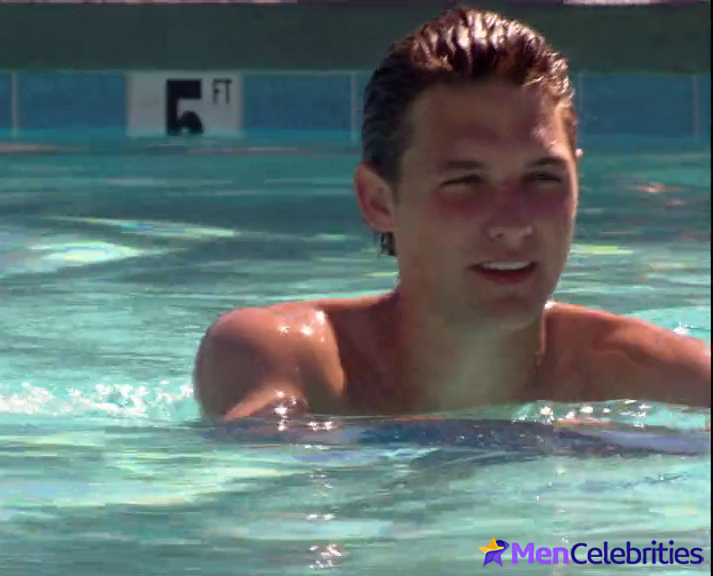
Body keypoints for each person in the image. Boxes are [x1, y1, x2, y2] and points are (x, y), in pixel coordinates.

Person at [192, 6, 711, 421]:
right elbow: (271, 489)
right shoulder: (285, 360)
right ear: (379, 200)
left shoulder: (679, 382)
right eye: (465, 183)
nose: (514, 223)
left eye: (543, 178)